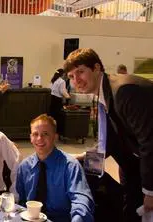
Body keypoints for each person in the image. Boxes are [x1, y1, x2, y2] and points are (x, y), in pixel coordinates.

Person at [64, 48, 153, 222]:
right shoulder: (104, 94)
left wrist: (150, 190)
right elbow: (110, 141)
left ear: (97, 68)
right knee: (129, 211)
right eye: (71, 77)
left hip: (148, 168)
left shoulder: (123, 91)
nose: (76, 81)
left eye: (80, 72)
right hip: (133, 167)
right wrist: (82, 158)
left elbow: (149, 141)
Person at [16, 114, 94, 221]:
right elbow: (21, 201)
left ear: (55, 137)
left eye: (45, 134)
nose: (39, 138)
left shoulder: (70, 166)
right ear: (30, 138)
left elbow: (81, 201)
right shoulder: (24, 166)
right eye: (35, 134)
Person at [49, 68, 70, 133]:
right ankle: (58, 131)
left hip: (51, 99)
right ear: (63, 74)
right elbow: (62, 91)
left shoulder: (54, 80)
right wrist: (68, 97)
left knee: (52, 116)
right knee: (58, 117)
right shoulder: (62, 81)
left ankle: (51, 130)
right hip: (57, 100)